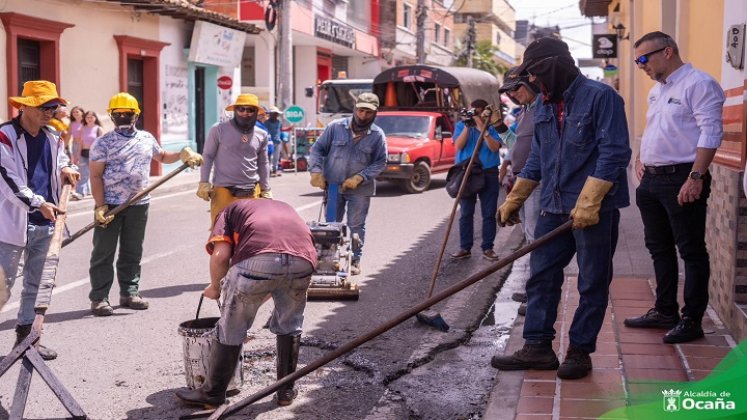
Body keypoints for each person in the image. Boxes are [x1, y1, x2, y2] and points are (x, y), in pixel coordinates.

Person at [490, 37, 631, 380]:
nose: (533, 82)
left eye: (536, 74)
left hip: (593, 210)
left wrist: (590, 200)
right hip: (553, 206)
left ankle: (580, 351)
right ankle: (538, 347)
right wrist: (516, 197)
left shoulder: (602, 97)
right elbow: (538, 157)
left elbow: (615, 152)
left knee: (592, 280)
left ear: (554, 67)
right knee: (541, 276)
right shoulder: (541, 106)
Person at [624, 32, 725, 344]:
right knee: (658, 248)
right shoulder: (657, 91)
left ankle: (692, 319)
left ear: (667, 52)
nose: (640, 66)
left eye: (643, 59)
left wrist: (696, 177)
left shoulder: (700, 84)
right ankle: (665, 309)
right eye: (636, 61)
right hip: (652, 180)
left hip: (682, 177)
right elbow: (659, 130)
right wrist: (642, 157)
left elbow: (711, 131)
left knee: (691, 250)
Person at [175, 199, 317, 408]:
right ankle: (285, 391)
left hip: (258, 261)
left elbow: (221, 255)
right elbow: (277, 276)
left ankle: (213, 394)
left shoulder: (227, 211)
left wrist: (215, 287)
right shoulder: (283, 207)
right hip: (303, 260)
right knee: (290, 324)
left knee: (231, 327)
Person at [88, 92, 203, 316]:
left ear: (136, 115)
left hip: (139, 204)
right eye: (119, 113)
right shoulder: (103, 143)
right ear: (112, 116)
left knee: (133, 251)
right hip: (110, 206)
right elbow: (95, 176)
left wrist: (182, 154)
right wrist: (100, 205)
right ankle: (99, 298)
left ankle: (129, 293)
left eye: (128, 113)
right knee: (103, 253)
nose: (123, 117)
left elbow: (162, 157)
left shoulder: (146, 138)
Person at [0, 80, 81, 360]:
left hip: (47, 223)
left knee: (36, 285)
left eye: (54, 107)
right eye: (45, 107)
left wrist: (68, 168)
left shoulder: (52, 136)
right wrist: (38, 202)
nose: (51, 112)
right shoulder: (4, 136)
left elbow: (61, 161)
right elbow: (7, 180)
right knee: (2, 287)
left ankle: (27, 343)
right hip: (10, 225)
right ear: (25, 106)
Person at [308, 92, 387, 275]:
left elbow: (380, 162)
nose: (363, 116)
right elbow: (317, 150)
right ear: (354, 109)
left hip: (360, 189)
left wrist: (360, 177)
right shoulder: (335, 127)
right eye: (360, 111)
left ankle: (355, 260)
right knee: (330, 225)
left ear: (375, 113)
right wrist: (316, 171)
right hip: (333, 186)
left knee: (356, 225)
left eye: (368, 112)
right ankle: (329, 259)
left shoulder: (377, 135)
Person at [497, 67, 541, 315]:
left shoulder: (542, 108)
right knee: (529, 236)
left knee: (536, 238)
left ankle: (538, 294)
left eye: (517, 88)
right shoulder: (525, 112)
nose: (513, 94)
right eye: (509, 91)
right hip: (522, 179)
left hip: (536, 181)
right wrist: (499, 127)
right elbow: (517, 144)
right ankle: (533, 289)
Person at [197, 94, 272, 226]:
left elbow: (263, 163)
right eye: (241, 109)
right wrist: (204, 182)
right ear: (235, 110)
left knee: (251, 234)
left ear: (256, 113)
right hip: (223, 191)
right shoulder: (218, 129)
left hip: (252, 191)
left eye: (250, 110)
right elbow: (208, 155)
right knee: (221, 235)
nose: (245, 113)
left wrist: (266, 189)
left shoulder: (262, 134)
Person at [449, 99, 505, 261]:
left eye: (478, 112)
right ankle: (465, 247)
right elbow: (458, 146)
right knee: (466, 212)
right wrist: (468, 126)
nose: (476, 115)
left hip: (489, 172)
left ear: (484, 112)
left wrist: (482, 126)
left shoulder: (492, 127)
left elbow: (494, 147)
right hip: (467, 173)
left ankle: (488, 248)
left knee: (488, 213)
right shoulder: (461, 125)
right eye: (473, 112)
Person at [71, 110, 103, 200]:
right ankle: (80, 193)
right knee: (83, 173)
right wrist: (77, 156)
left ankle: (95, 191)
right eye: (87, 117)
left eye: (91, 117)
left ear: (95, 118)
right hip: (83, 153)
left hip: (95, 154)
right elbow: (81, 142)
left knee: (95, 174)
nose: (89, 119)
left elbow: (102, 143)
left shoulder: (98, 129)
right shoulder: (83, 128)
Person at [68, 106, 86, 198]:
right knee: (77, 167)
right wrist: (66, 147)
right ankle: (78, 189)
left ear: (82, 113)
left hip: (85, 147)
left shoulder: (86, 123)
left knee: (85, 168)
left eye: (77, 112)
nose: (75, 113)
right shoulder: (72, 124)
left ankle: (83, 189)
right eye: (73, 112)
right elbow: (68, 136)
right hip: (75, 146)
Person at [265, 106, 284, 177]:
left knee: (276, 157)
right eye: (274, 114)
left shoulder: (279, 122)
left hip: (277, 142)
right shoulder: (266, 123)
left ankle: (274, 170)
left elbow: (280, 131)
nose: (275, 115)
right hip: (269, 142)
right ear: (270, 114)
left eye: (276, 114)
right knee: (270, 157)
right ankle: (269, 171)